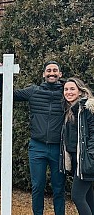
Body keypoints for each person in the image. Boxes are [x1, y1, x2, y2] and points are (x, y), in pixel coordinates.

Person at [13, 61, 65, 215]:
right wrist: (1, 74)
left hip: (58, 148)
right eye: (48, 70)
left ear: (60, 74)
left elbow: (83, 97)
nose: (52, 73)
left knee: (59, 188)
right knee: (37, 186)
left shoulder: (66, 92)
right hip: (37, 147)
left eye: (55, 70)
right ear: (43, 74)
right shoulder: (33, 91)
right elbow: (11, 93)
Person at [60, 78, 94, 215]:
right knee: (88, 196)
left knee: (77, 196)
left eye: (72, 89)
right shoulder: (70, 110)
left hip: (86, 159)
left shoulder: (87, 108)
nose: (68, 92)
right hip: (76, 159)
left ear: (80, 91)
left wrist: (91, 155)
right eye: (66, 89)